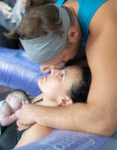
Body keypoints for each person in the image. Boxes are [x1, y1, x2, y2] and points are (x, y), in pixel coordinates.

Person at [6, 1, 117, 137]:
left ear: (73, 34)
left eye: (61, 61)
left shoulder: (103, 34)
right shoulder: (60, 11)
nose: (51, 70)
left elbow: (102, 121)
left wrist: (35, 112)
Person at [0, 66, 91, 149]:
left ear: (64, 100)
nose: (54, 70)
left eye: (61, 76)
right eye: (61, 70)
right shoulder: (41, 99)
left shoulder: (40, 130)